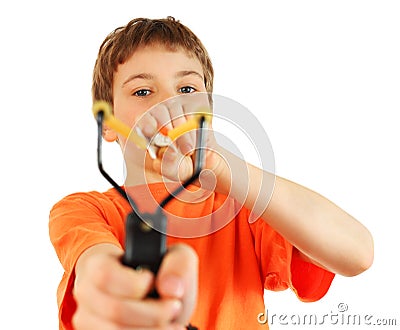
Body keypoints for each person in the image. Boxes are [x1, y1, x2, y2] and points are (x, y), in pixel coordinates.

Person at [49, 17, 374, 330]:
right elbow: (97, 265)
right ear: (107, 124)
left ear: (209, 113)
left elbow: (357, 253)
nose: (170, 104)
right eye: (143, 92)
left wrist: (220, 166)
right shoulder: (84, 210)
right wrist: (113, 288)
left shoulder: (243, 211)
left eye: (187, 89)